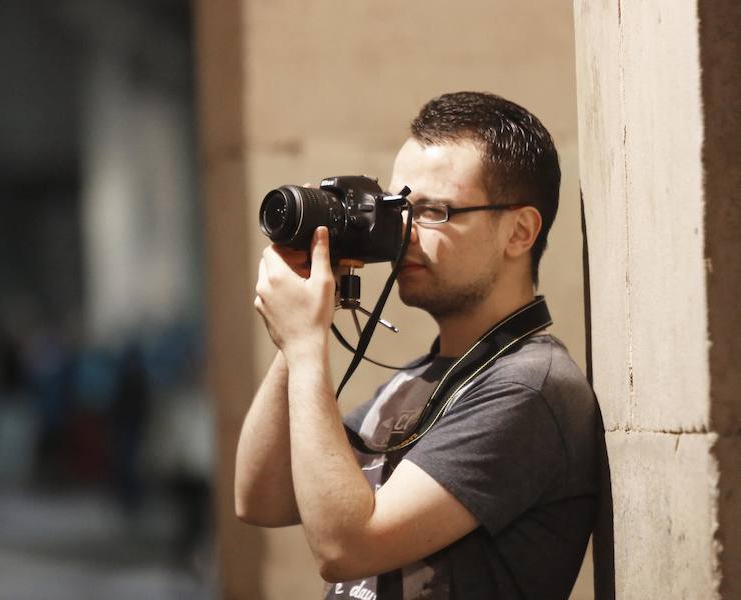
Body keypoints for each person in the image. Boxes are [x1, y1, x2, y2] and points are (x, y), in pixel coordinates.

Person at [235, 91, 602, 599]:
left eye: (433, 212)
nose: (403, 232)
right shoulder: (420, 379)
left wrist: (305, 348)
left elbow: (345, 548)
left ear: (519, 231)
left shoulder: (529, 388)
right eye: (398, 208)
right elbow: (261, 498)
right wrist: (296, 337)